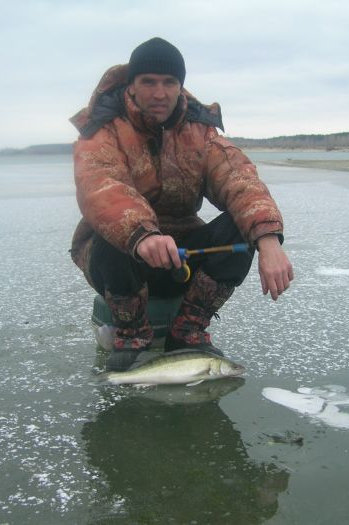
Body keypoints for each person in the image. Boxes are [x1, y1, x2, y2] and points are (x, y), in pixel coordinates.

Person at [70, 37, 293, 371]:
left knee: (241, 230)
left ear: (180, 86)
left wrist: (268, 239)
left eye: (169, 82)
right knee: (112, 238)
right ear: (131, 85)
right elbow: (102, 186)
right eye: (149, 82)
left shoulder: (200, 131)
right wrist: (143, 235)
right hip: (120, 257)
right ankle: (131, 334)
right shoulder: (103, 128)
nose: (160, 93)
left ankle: (188, 330)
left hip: (182, 257)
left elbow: (239, 178)